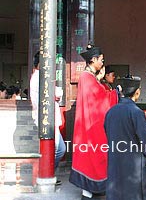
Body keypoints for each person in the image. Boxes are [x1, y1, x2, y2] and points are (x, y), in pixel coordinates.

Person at [69, 44, 118, 199]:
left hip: (90, 122)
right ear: (93, 59)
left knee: (94, 156)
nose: (102, 63)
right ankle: (88, 192)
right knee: (94, 156)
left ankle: (92, 190)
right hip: (92, 125)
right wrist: (116, 93)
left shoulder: (89, 77)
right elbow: (100, 98)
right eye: (101, 60)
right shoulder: (87, 77)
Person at [104, 75, 146, 200]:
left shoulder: (110, 112)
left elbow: (107, 133)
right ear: (137, 92)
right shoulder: (136, 112)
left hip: (115, 159)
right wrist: (144, 159)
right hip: (134, 164)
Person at [30, 51, 66, 185]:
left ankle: (49, 174)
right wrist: (56, 93)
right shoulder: (39, 76)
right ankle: (47, 174)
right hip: (46, 119)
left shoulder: (39, 76)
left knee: (60, 148)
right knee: (58, 148)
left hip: (50, 118)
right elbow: (57, 92)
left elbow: (57, 93)